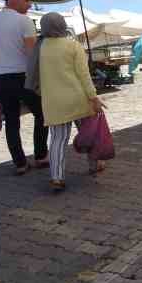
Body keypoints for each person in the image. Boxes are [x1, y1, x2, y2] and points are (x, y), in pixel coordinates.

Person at [0, 0, 48, 175]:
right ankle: (41, 156)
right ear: (13, 0)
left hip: (0, 78)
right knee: (42, 115)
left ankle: (20, 163)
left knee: (11, 119)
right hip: (24, 76)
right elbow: (31, 54)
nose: (30, 3)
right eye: (26, 0)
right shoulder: (23, 21)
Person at [37, 13, 105, 191]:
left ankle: (56, 178)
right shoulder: (73, 45)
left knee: (58, 140)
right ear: (63, 25)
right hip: (78, 99)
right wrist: (94, 97)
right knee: (87, 134)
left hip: (53, 102)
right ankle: (93, 165)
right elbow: (84, 75)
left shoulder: (40, 47)